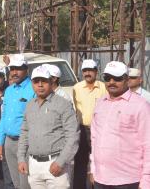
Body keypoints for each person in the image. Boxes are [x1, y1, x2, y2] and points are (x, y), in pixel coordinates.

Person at [90, 61, 150, 189]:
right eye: (107, 78)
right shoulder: (100, 103)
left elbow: (148, 144)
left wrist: (146, 181)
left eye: (117, 78)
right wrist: (93, 169)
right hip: (101, 179)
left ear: (126, 79)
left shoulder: (140, 105)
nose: (111, 82)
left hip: (128, 180)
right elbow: (94, 139)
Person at [17, 65, 79, 189]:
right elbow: (24, 133)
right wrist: (21, 159)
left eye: (44, 81)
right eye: (36, 81)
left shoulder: (63, 104)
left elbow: (73, 136)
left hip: (56, 163)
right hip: (34, 165)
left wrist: (61, 162)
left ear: (51, 82)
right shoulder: (30, 106)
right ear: (32, 84)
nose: (40, 85)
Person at [0, 54, 35, 189]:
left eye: (18, 68)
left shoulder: (33, 88)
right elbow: (4, 117)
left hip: (25, 143)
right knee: (16, 183)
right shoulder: (9, 90)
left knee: (26, 184)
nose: (14, 72)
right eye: (12, 68)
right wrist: (0, 142)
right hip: (8, 142)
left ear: (26, 69)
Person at [72, 59, 106, 189]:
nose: (87, 73)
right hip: (82, 129)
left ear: (96, 72)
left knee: (98, 161)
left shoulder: (103, 87)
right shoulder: (77, 88)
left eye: (90, 70)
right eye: (85, 70)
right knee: (80, 162)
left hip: (100, 130)